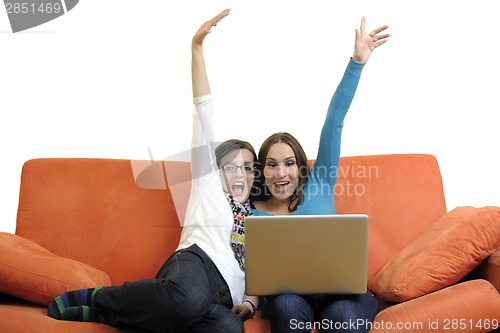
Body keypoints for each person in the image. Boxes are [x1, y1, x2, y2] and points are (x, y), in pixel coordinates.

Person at [47, 9, 259, 333]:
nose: (240, 174)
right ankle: (103, 297)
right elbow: (204, 113)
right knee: (187, 298)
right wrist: (197, 50)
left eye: (248, 167)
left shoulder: (259, 221)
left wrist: (250, 304)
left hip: (223, 297)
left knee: (229, 329)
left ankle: (105, 315)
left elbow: (264, 275)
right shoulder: (208, 186)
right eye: (230, 166)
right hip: (194, 265)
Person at [249, 17, 390, 333]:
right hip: (290, 297)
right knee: (285, 307)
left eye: (288, 163)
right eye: (271, 164)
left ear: (301, 169)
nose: (280, 172)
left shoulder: (320, 181)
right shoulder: (253, 213)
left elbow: (334, 121)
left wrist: (357, 63)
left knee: (342, 319)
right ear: (262, 171)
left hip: (341, 294)